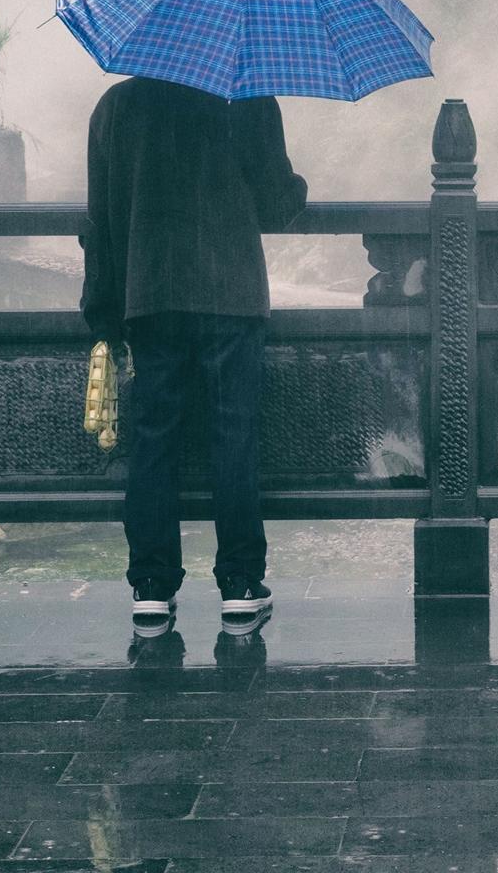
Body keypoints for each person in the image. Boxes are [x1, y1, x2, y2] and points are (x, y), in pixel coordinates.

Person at [81, 75, 308, 632]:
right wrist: (295, 185)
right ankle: (240, 585)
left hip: (151, 292)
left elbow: (100, 220)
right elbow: (278, 207)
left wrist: (103, 312)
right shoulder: (248, 98)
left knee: (153, 440)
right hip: (231, 296)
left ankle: (152, 588)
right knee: (234, 434)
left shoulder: (117, 106)